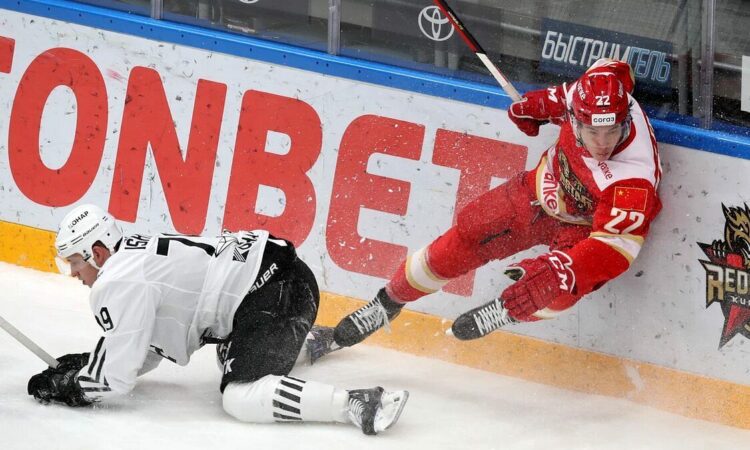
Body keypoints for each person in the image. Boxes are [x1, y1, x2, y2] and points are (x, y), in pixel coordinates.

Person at [331, 58, 662, 349]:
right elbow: (573, 91)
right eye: (593, 132)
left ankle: (508, 310)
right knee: (468, 234)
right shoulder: (596, 85)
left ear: (626, 120)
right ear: (575, 120)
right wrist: (539, 105)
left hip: (580, 232)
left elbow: (614, 249)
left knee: (559, 290)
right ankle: (386, 303)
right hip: (536, 193)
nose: (603, 143)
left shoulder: (633, 180)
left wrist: (561, 272)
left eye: (612, 131)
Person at [27, 204, 408, 436]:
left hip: (274, 296)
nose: (73, 273)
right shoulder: (134, 255)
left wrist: (70, 386)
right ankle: (319, 340)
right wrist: (96, 362)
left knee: (241, 396)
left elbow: (114, 381)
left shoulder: (117, 281)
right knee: (230, 353)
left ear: (97, 252)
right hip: (287, 284)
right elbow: (145, 348)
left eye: (74, 262)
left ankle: (358, 403)